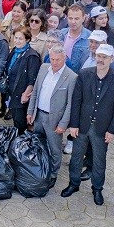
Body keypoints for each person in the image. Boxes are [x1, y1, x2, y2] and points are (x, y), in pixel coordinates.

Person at [62, 43, 114, 205]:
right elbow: (76, 101)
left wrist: (112, 130)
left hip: (102, 128)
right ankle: (73, 183)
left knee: (99, 160)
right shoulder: (84, 74)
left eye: (104, 57)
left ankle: (97, 188)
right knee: (76, 157)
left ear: (111, 59)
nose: (101, 60)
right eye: (99, 56)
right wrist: (73, 124)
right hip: (82, 125)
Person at [27, 45, 76, 182]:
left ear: (64, 59)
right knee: (38, 143)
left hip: (55, 119)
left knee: (55, 149)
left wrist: (63, 124)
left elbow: (70, 104)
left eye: (58, 60)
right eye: (52, 59)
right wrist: (30, 111)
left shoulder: (71, 77)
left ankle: (53, 174)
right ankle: (39, 168)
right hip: (39, 115)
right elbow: (36, 91)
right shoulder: (43, 68)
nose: (54, 63)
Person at [5, 28, 41, 131]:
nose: (17, 41)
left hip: (21, 95)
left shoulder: (32, 56)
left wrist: (26, 93)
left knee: (20, 122)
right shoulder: (14, 51)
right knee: (16, 121)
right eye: (15, 38)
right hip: (12, 92)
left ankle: (21, 143)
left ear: (28, 40)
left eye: (20, 39)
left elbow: (32, 79)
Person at [52, 4, 91, 72]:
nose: (73, 22)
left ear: (83, 18)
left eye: (76, 19)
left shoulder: (90, 37)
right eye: (70, 18)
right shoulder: (61, 34)